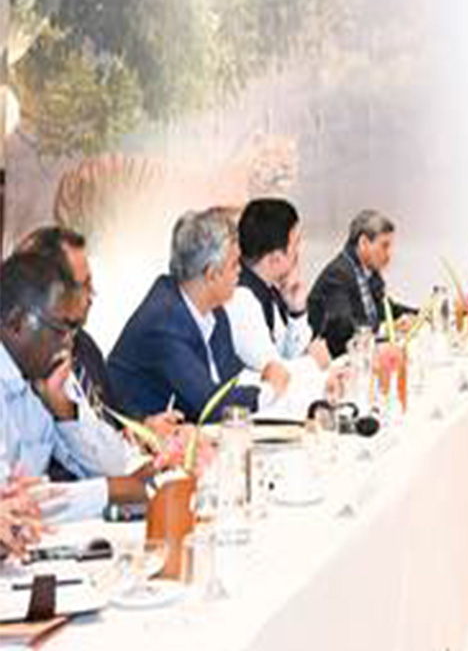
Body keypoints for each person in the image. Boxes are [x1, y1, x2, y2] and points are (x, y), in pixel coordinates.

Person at [1, 251, 148, 521]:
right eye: (60, 329)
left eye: (73, 331)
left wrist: (65, 411)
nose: (69, 343)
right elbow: (10, 504)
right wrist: (108, 492)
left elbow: (115, 466)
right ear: (16, 323)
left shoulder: (45, 373)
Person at [15, 225, 169, 475]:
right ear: (50, 290)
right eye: (83, 285)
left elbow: (113, 417)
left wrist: (141, 429)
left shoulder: (84, 346)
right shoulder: (30, 365)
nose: (92, 294)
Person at [108, 208, 258, 421]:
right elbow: (211, 405)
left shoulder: (215, 313)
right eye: (235, 264)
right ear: (211, 274)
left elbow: (231, 380)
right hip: (133, 444)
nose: (240, 272)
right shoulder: (163, 320)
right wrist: (269, 391)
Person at [230, 198, 330, 374]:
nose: (299, 252)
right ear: (276, 258)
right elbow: (275, 376)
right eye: (296, 244)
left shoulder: (266, 289)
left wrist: (296, 312)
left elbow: (287, 355)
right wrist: (313, 363)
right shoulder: (241, 299)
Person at [308, 209, 412, 357]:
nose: (389, 255)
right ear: (363, 243)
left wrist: (421, 314)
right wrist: (385, 328)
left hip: (364, 354)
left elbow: (386, 308)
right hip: (336, 362)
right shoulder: (337, 275)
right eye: (384, 246)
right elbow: (344, 326)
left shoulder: (371, 273)